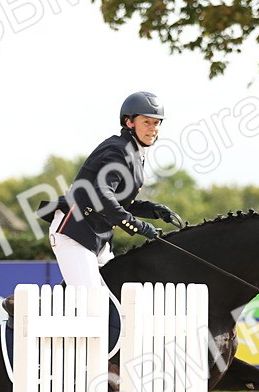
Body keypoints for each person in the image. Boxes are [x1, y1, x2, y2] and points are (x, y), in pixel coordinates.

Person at [37, 91, 185, 289]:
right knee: (91, 303)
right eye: (146, 122)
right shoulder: (119, 150)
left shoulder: (134, 152)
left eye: (156, 123)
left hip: (98, 237)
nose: (153, 129)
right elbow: (102, 195)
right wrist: (137, 226)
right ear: (129, 122)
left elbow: (119, 201)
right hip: (74, 232)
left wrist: (153, 210)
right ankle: (18, 317)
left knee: (118, 295)